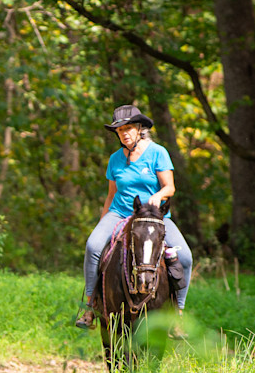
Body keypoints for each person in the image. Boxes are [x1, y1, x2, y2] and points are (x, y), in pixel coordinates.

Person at [76, 104, 193, 337]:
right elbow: (111, 195)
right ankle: (90, 306)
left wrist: (158, 196)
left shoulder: (158, 152)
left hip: (152, 216)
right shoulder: (115, 159)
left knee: (185, 258)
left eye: (128, 128)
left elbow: (170, 187)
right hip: (120, 213)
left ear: (139, 129)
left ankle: (177, 314)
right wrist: (102, 223)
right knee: (93, 246)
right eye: (120, 130)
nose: (124, 134)